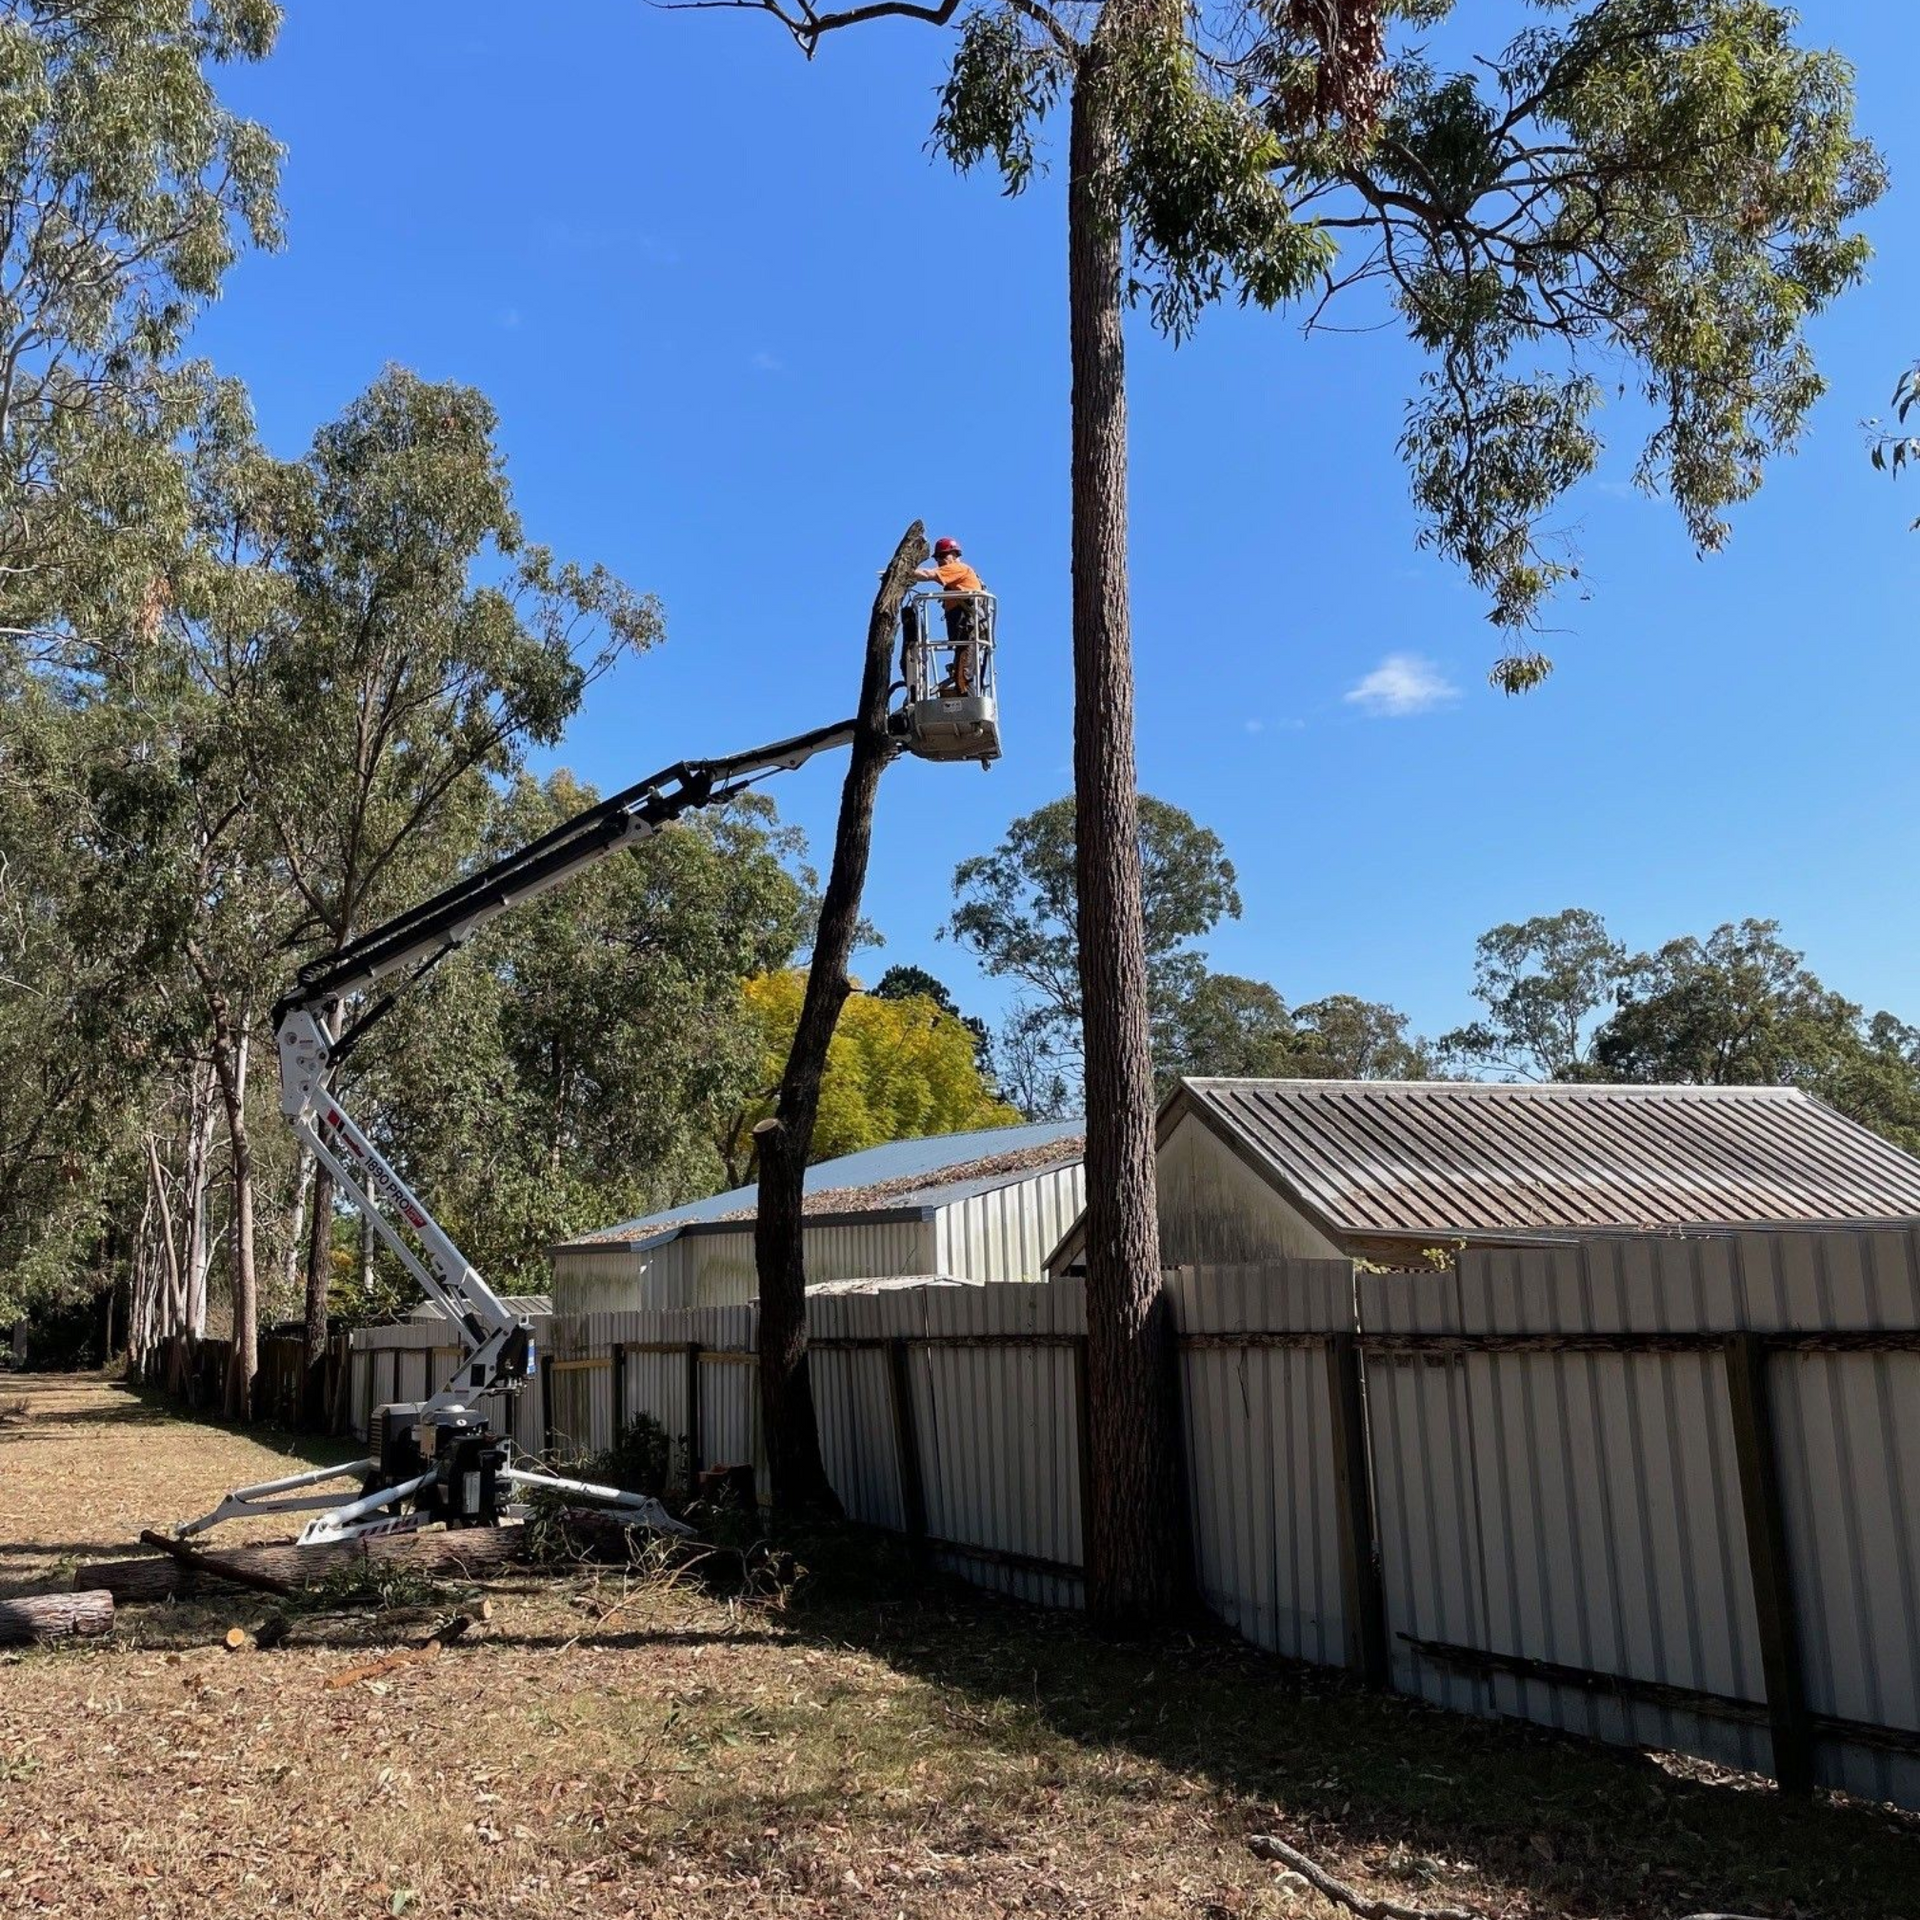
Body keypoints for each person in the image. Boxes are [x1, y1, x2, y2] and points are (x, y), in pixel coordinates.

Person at [912, 537, 986, 695]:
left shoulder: (958, 568)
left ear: (955, 554)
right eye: (937, 558)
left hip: (969, 631)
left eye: (943, 556)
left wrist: (902, 573)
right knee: (961, 672)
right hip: (966, 633)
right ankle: (964, 699)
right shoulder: (955, 579)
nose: (939, 561)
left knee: (963, 676)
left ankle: (967, 703)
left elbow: (927, 574)